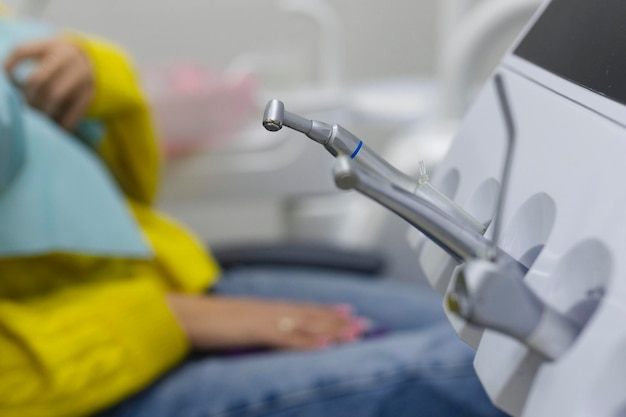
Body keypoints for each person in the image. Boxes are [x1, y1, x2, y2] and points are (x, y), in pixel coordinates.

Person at [0, 8, 509, 417]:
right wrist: (160, 320)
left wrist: (90, 75)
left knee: (489, 331)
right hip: (77, 373)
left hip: (158, 286)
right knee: (497, 371)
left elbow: (116, 196)